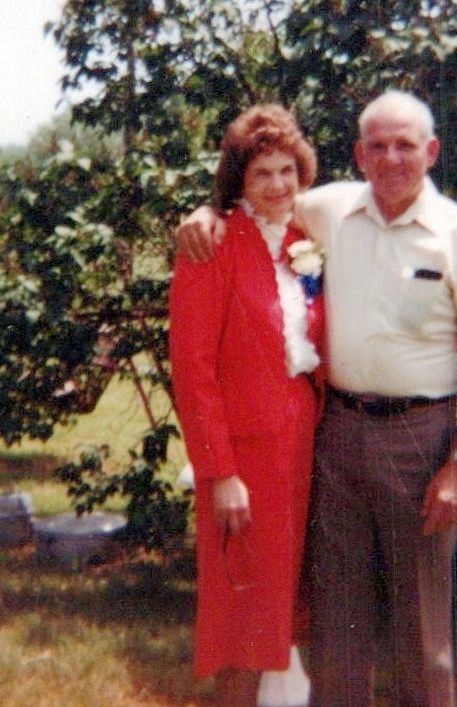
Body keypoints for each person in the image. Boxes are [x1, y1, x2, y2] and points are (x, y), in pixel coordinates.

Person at [177, 90, 457, 707]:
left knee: (421, 632)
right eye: (378, 146)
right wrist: (204, 212)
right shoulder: (327, 210)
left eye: (405, 145)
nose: (392, 159)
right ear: (359, 155)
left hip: (419, 439)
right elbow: (251, 196)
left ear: (431, 151)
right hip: (333, 438)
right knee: (335, 630)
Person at [170, 104, 326, 707]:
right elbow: (194, 373)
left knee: (285, 613)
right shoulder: (212, 244)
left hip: (302, 452)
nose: (278, 184)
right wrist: (220, 473)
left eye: (288, 170)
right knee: (242, 620)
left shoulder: (305, 240)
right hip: (245, 462)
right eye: (263, 172)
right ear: (239, 179)